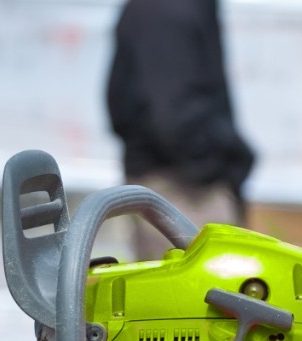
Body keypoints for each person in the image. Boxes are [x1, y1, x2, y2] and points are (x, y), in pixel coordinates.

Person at [106, 0, 255, 261]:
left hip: (181, 184)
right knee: (198, 284)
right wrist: (219, 163)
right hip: (184, 191)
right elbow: (171, 120)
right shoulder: (166, 12)